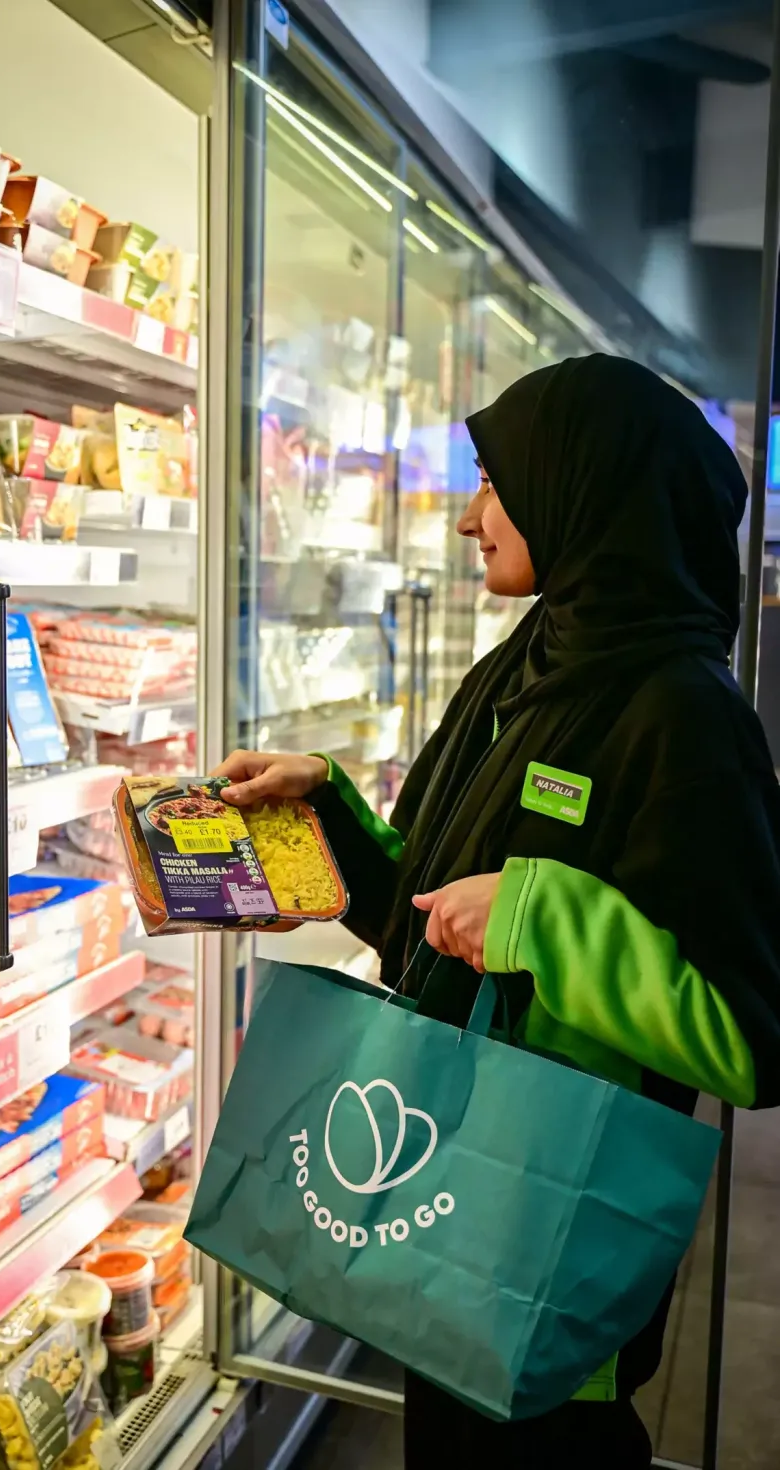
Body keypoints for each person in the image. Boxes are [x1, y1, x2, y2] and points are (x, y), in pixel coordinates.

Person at [212, 354, 780, 1468]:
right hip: (436, 1167)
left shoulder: (684, 718)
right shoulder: (525, 670)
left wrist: (534, 915)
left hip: (546, 1207)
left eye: (495, 482)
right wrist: (323, 814)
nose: (472, 517)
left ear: (583, 491)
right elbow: (429, 916)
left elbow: (746, 1036)